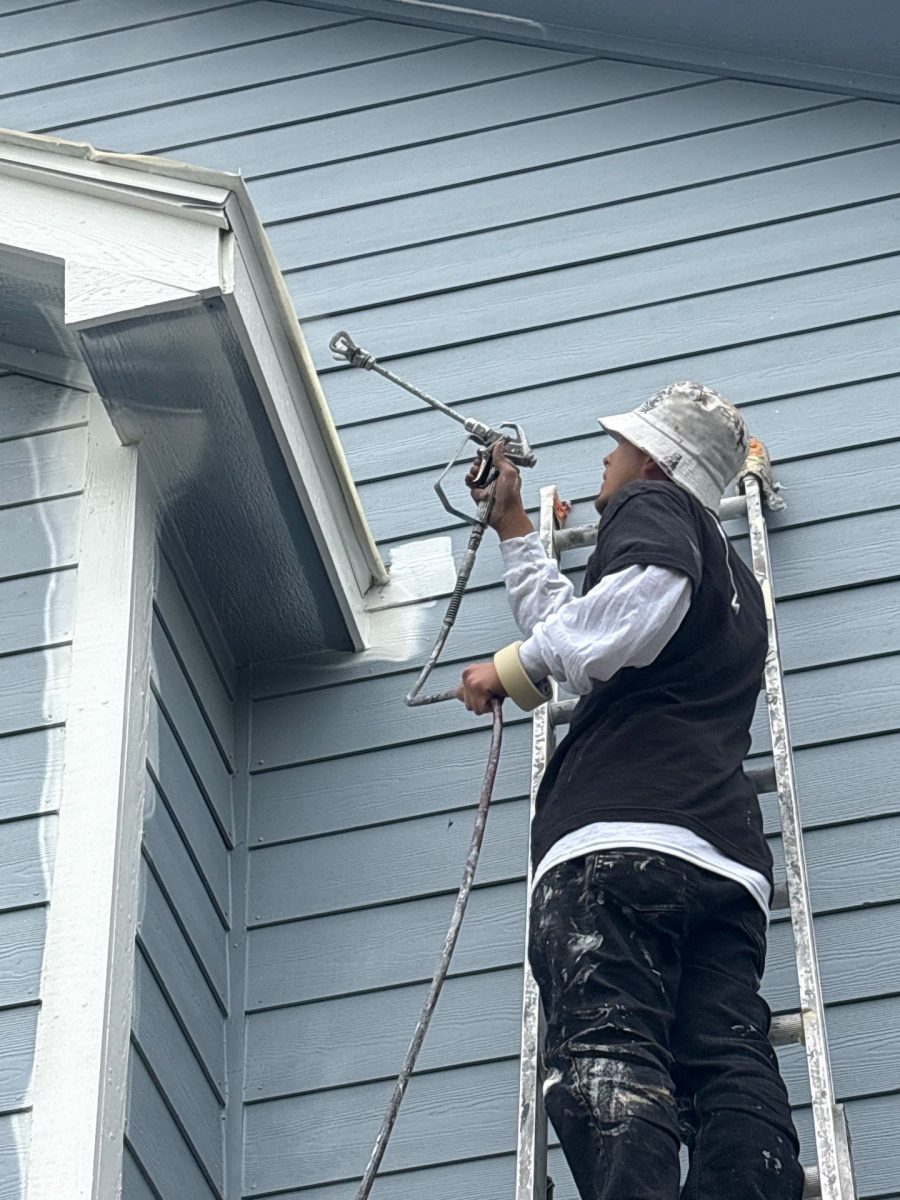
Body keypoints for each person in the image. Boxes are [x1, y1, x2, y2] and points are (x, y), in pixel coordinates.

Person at [457, 382, 804, 1200]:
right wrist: (513, 525)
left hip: (617, 845)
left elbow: (624, 618)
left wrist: (511, 668)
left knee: (610, 1052)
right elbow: (597, 628)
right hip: (721, 863)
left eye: (619, 447)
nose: (607, 461)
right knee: (725, 1051)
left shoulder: (652, 505)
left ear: (655, 460)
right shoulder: (736, 589)